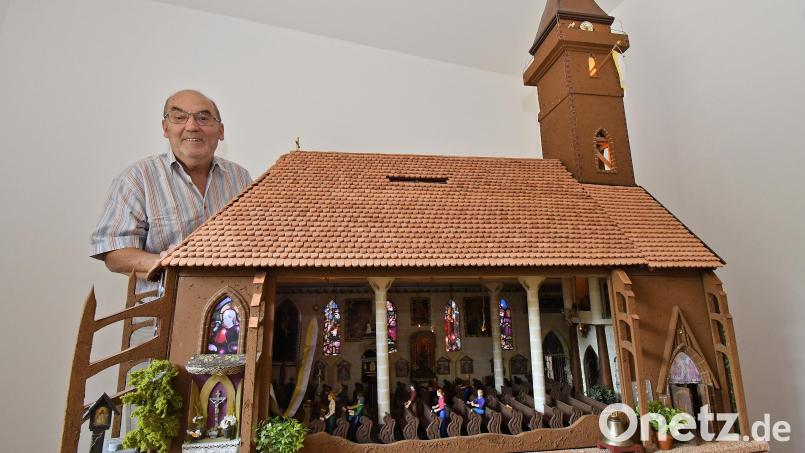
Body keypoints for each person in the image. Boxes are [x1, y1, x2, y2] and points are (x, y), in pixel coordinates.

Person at [90, 89, 252, 293]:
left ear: (220, 131)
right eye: (179, 117)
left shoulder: (240, 178)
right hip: (159, 313)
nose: (192, 126)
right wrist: (168, 262)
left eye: (203, 118)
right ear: (166, 128)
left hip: (229, 307)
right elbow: (114, 254)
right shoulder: (138, 178)